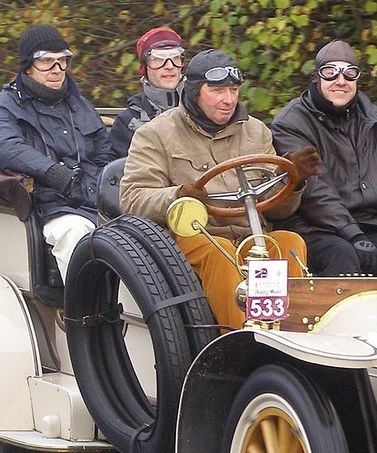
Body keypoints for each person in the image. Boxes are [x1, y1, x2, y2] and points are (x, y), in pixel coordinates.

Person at [120, 49, 321, 330]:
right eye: (217, 90)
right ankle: (242, 339)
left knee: (289, 243)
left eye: (233, 90)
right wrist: (178, 195)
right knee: (219, 251)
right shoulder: (155, 134)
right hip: (193, 240)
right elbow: (132, 198)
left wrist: (292, 180)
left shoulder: (256, 131)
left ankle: (293, 334)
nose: (228, 99)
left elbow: (277, 208)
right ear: (193, 92)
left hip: (252, 238)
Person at [271, 39, 377, 276]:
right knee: (341, 254)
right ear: (316, 77)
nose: (340, 81)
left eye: (349, 74)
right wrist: (351, 233)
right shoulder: (291, 123)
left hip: (371, 223)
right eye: (330, 73)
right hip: (313, 227)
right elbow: (314, 192)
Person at [0, 24, 114, 281]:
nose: (57, 70)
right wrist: (53, 172)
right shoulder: (1, 106)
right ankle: (84, 316)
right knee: (77, 233)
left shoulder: (80, 104)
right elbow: (8, 148)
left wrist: (97, 187)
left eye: (63, 61)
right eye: (47, 62)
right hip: (48, 209)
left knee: (149, 228)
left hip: (97, 202)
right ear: (28, 66)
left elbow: (105, 153)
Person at [109, 27, 186, 159]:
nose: (169, 66)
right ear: (145, 67)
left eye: (175, 57)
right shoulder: (127, 122)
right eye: (158, 59)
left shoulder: (203, 110)